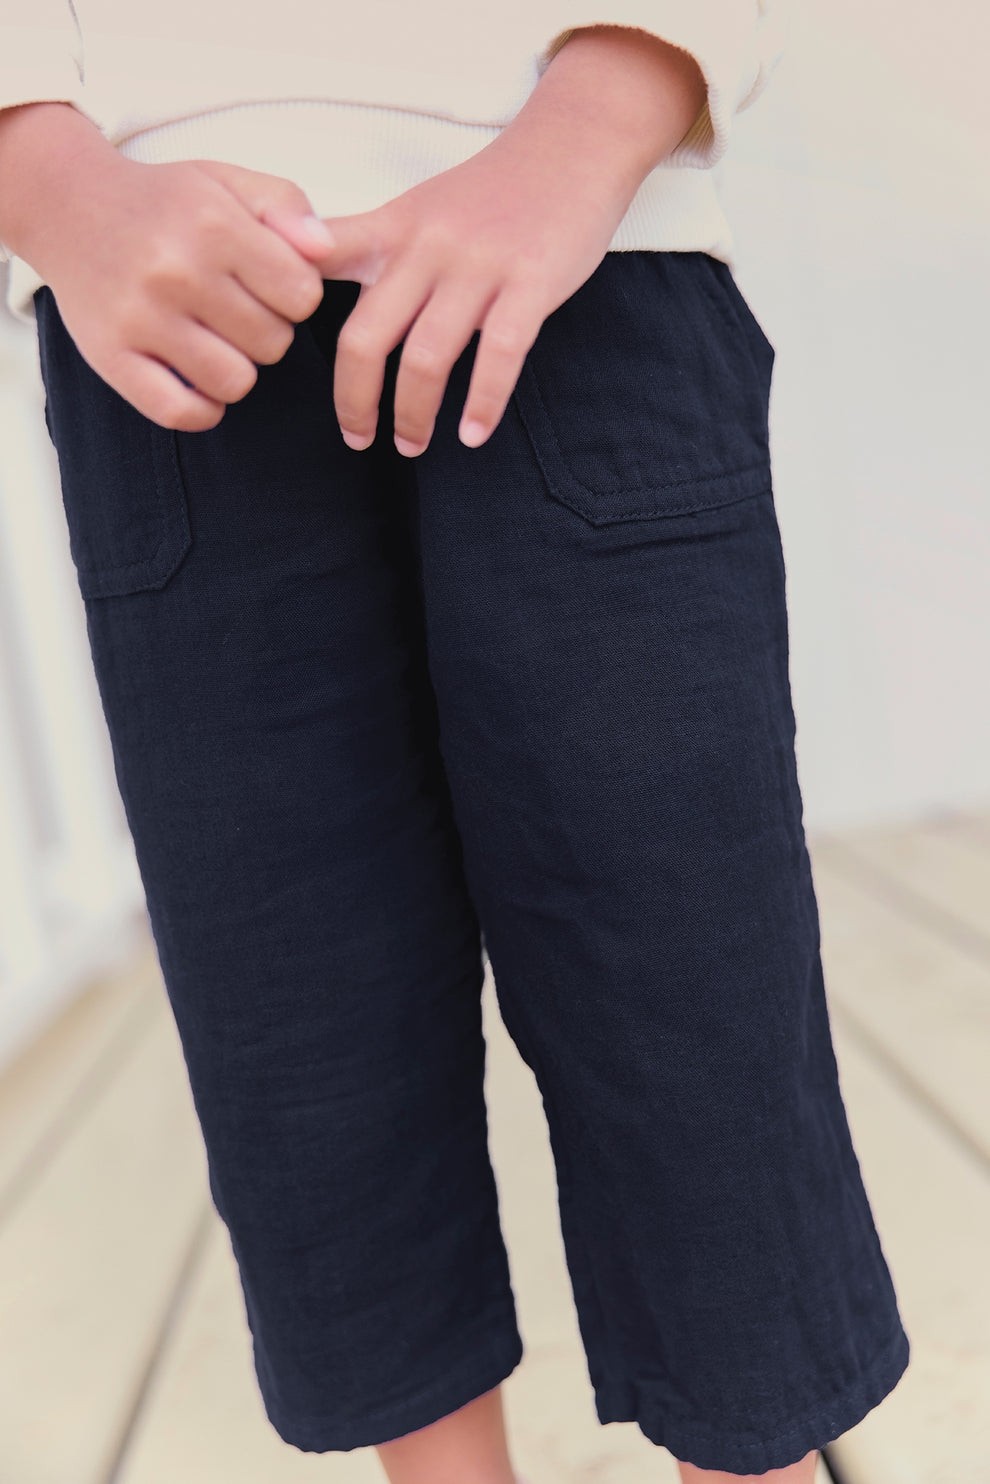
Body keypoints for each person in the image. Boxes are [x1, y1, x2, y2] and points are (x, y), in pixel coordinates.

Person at [0, 3, 911, 1480]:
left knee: (688, 979)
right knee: (295, 1010)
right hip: (171, 298)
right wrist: (48, 181)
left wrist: (585, 134)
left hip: (583, 261)